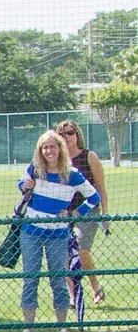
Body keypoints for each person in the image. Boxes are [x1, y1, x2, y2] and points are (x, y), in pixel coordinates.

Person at [18, 129, 101, 329]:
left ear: (59, 149)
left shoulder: (72, 174)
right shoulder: (35, 168)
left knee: (58, 278)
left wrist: (74, 214)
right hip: (31, 231)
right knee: (31, 277)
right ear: (40, 150)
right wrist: (24, 184)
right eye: (45, 147)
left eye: (52, 147)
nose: (49, 151)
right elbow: (21, 184)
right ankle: (28, 325)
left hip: (58, 233)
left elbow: (94, 197)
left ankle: (62, 325)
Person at [56, 119, 107, 308]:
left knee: (83, 251)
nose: (66, 137)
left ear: (77, 134)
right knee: (65, 254)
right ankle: (72, 295)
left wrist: (105, 214)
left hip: (88, 210)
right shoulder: (57, 160)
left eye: (70, 133)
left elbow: (101, 186)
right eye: (62, 134)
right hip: (64, 212)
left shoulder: (89, 156)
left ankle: (96, 287)